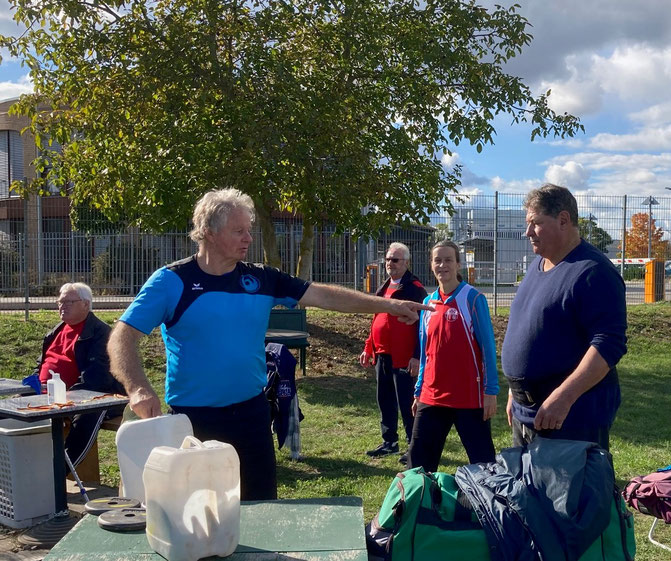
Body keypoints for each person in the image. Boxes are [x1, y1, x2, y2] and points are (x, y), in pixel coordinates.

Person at [107, 188, 431, 501]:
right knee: (200, 514)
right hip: (194, 422)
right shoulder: (171, 281)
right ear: (207, 232)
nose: (249, 238)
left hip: (252, 415)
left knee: (261, 510)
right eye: (239, 231)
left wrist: (388, 305)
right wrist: (137, 387)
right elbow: (122, 336)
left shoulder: (262, 278)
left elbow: (321, 295)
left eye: (249, 230)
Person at [501, 184, 627, 451]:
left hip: (569, 416)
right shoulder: (538, 265)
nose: (528, 233)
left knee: (567, 492)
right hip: (527, 411)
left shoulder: (593, 271)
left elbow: (608, 343)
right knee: (529, 491)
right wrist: (517, 390)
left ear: (563, 220)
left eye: (536, 223)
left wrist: (564, 397)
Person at [408, 240, 498, 472]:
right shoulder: (427, 304)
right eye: (437, 260)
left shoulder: (472, 299)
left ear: (458, 264)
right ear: (431, 265)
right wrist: (419, 391)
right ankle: (420, 508)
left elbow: (488, 348)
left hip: (468, 398)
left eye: (448, 259)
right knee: (418, 468)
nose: (442, 265)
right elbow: (426, 353)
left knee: (484, 467)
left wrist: (490, 392)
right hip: (432, 397)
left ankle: (488, 508)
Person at [34, 282, 125, 473]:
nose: (62, 305)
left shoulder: (101, 334)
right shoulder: (55, 332)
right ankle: (19, 469)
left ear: (86, 304)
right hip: (48, 394)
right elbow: (40, 366)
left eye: (69, 301)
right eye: (60, 301)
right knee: (8, 412)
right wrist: (33, 387)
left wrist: (61, 396)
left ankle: (58, 475)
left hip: (97, 396)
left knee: (89, 413)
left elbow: (97, 380)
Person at [359, 242, 426, 463]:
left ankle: (413, 445)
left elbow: (423, 326)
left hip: (404, 356)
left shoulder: (414, 288)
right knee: (385, 399)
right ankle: (390, 442)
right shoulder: (384, 286)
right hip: (383, 354)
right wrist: (369, 347)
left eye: (395, 260)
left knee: (407, 402)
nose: (390, 264)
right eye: (387, 259)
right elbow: (377, 319)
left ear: (406, 263)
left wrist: (417, 355)